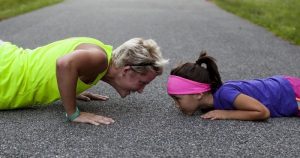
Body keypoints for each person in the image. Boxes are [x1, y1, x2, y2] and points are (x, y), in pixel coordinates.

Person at [0, 37, 168, 125]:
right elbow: (64, 63)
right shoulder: (99, 58)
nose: (141, 90)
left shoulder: (101, 56)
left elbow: (60, 65)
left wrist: (69, 88)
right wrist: (73, 113)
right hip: (6, 73)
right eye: (143, 82)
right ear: (126, 70)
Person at [167, 51, 300, 121]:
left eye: (178, 99)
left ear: (198, 94)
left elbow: (263, 112)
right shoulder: (211, 102)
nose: (176, 105)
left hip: (292, 92)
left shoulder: (225, 93)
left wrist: (226, 114)